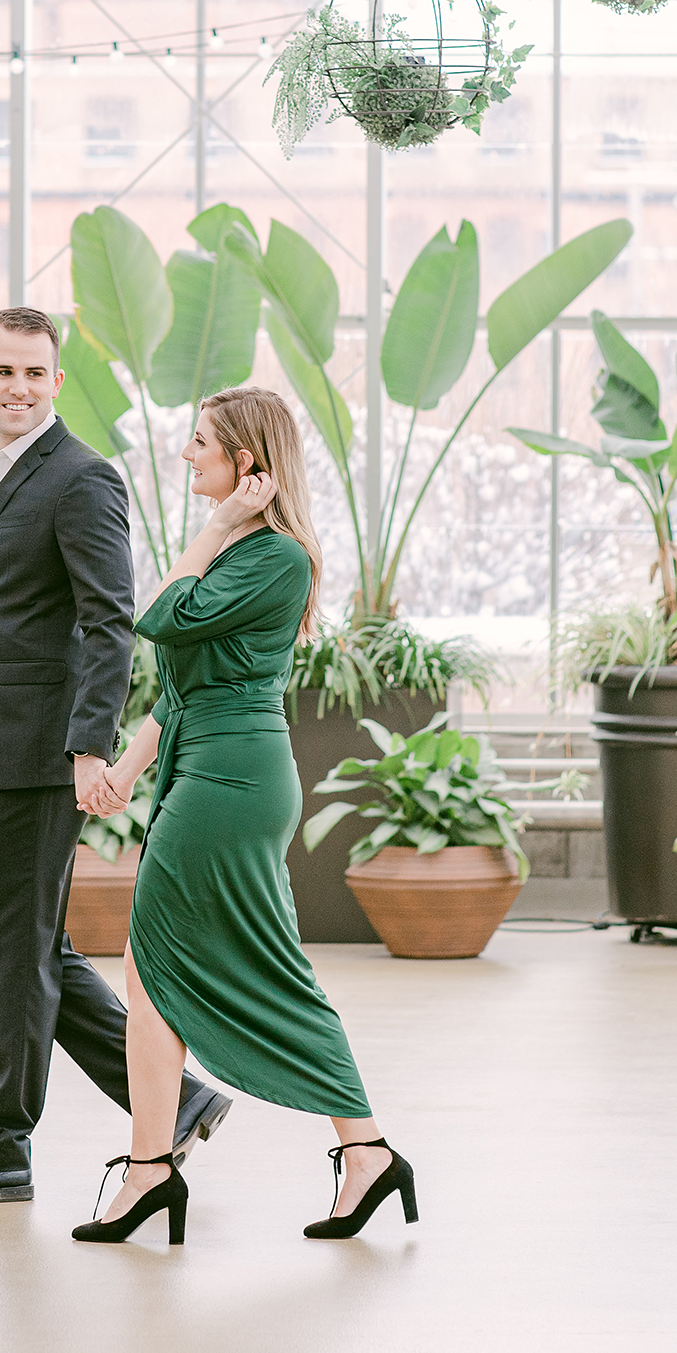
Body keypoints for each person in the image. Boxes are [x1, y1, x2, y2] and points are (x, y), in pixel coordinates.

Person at [0, 307, 232, 1208]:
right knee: (32, 943)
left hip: (40, 753)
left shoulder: (82, 479)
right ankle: (178, 1097)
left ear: (57, 383)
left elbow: (108, 619)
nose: (19, 387)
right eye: (3, 371)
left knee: (14, 949)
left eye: (35, 373)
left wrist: (90, 746)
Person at [71, 386, 417, 1246]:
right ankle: (165, 1166)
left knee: (224, 963)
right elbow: (186, 688)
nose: (187, 456)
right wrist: (124, 769)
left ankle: (343, 1149)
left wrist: (219, 524)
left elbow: (157, 617)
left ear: (247, 466)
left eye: (201, 444)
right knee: (153, 966)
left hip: (232, 784)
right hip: (205, 770)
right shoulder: (240, 556)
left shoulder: (274, 558)